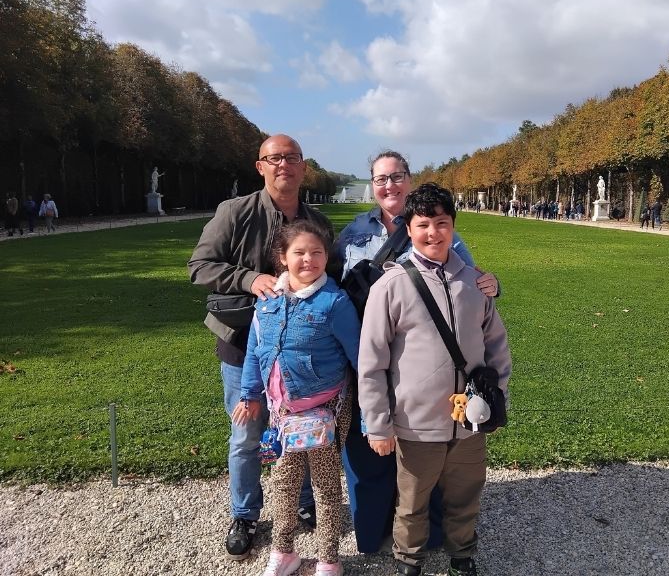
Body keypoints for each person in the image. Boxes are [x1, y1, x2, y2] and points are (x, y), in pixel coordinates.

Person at [334, 151, 500, 554]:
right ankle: (376, 536)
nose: (388, 185)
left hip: (431, 371)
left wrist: (492, 286)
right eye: (380, 179)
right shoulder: (353, 233)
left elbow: (468, 290)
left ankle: (436, 539)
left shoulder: (446, 232)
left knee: (433, 466)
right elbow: (328, 285)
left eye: (396, 176)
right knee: (375, 458)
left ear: (408, 179)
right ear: (372, 185)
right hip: (369, 354)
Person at [188, 134, 334, 560]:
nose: (283, 164)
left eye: (292, 158)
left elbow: (335, 274)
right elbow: (200, 266)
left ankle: (305, 502)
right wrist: (250, 280)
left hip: (301, 351)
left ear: (303, 167)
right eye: (275, 158)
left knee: (305, 430)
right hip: (242, 344)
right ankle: (245, 513)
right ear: (260, 166)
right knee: (246, 433)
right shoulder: (234, 212)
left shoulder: (317, 221)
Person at [233, 220, 359, 576]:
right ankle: (283, 550)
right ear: (282, 258)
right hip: (282, 414)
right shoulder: (267, 302)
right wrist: (249, 394)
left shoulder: (334, 303)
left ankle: (329, 559)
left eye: (317, 252)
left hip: (326, 412)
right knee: (284, 485)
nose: (309, 260)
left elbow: (359, 355)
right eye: (299, 253)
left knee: (325, 487)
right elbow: (256, 353)